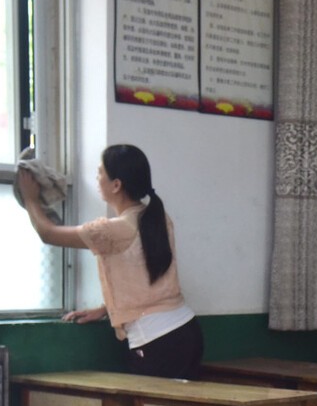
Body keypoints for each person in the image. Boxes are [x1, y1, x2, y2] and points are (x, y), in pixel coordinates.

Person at [18, 144, 203, 379]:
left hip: (156, 341)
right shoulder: (156, 217)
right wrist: (107, 309)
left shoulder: (115, 229)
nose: (96, 178)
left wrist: (31, 199)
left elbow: (49, 233)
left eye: (100, 172)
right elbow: (145, 277)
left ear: (116, 185)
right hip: (186, 330)